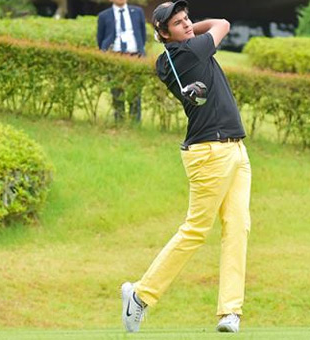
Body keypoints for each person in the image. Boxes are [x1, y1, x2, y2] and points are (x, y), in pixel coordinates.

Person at [120, 1, 251, 333]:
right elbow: (222, 22)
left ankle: (229, 312)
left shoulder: (171, 58)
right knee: (195, 230)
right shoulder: (189, 53)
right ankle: (140, 294)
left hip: (235, 148)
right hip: (210, 153)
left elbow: (202, 30)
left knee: (238, 227)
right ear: (164, 33)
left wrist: (187, 28)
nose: (189, 25)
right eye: (179, 24)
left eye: (188, 18)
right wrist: (198, 28)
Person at [96, 0, 146, 122]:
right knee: (117, 89)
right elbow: (100, 38)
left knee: (135, 90)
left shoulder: (137, 12)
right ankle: (119, 119)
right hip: (115, 56)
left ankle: (135, 121)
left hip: (134, 56)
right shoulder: (104, 16)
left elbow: (142, 35)